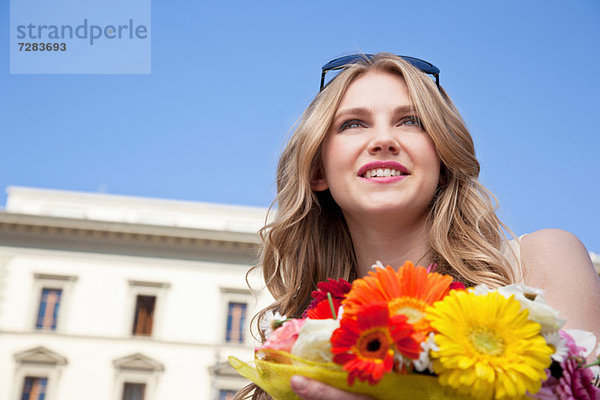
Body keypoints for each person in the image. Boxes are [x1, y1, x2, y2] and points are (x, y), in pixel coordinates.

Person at [236, 53, 600, 400]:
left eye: (410, 121)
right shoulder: (302, 341)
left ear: (442, 160)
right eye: (353, 124)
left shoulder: (542, 260)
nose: (382, 140)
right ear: (318, 171)